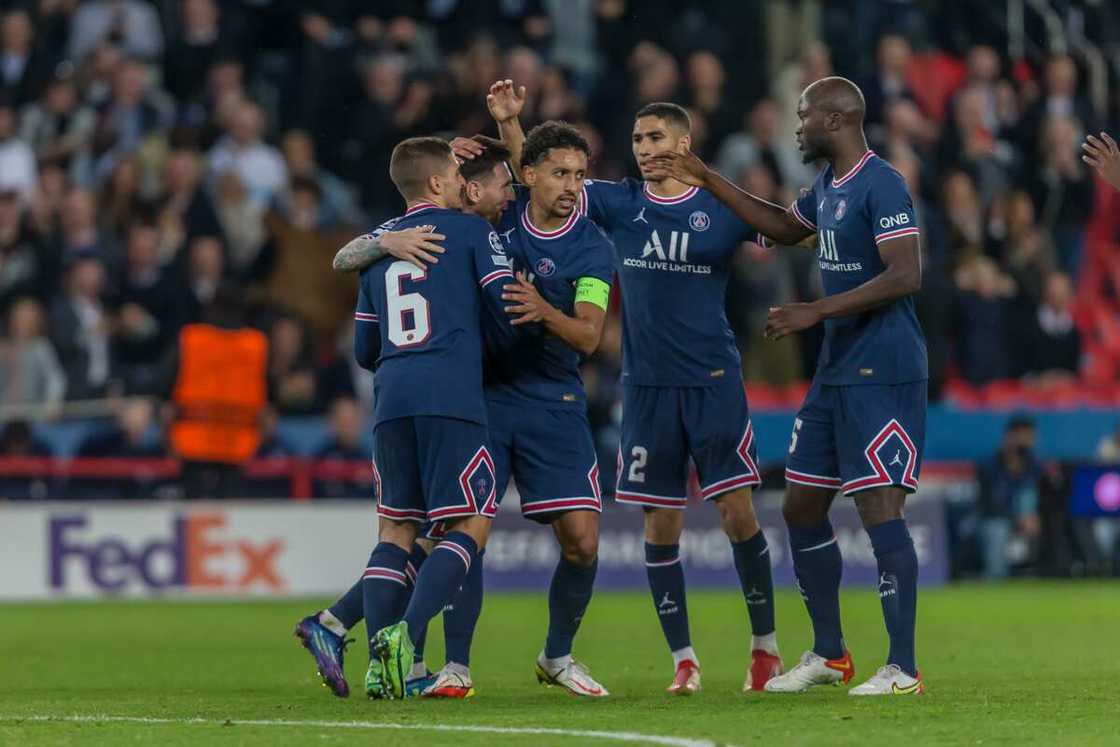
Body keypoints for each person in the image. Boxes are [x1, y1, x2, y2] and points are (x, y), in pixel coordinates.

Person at [489, 84, 783, 695]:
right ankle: (684, 659)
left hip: (713, 381)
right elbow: (536, 177)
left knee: (736, 514)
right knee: (661, 526)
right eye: (637, 140)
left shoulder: (720, 208)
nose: (645, 149)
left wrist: (716, 180)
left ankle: (765, 647)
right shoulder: (616, 202)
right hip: (646, 387)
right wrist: (512, 122)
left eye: (655, 138)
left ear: (683, 143)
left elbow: (787, 230)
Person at [650, 76, 927, 696]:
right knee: (802, 506)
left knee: (880, 507)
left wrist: (814, 312)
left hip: (884, 368)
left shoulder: (882, 184)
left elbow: (906, 274)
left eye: (802, 118)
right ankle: (830, 654)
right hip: (836, 371)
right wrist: (708, 178)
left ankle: (903, 668)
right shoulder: (828, 188)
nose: (794, 129)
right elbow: (779, 227)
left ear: (833, 119)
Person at [352, 118, 617, 698]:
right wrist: (484, 134)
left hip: (553, 400)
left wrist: (545, 314)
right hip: (480, 398)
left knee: (583, 542)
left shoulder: (593, 247)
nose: (571, 186)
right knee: (464, 528)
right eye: (558, 174)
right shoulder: (489, 221)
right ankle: (455, 666)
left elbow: (590, 337)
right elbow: (430, 181)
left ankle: (557, 654)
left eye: (579, 175)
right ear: (527, 179)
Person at [296, 136, 517, 700]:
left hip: (390, 398)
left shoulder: (379, 253)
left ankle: (380, 665)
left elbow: (365, 348)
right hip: (451, 395)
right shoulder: (474, 234)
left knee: (397, 531)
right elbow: (504, 314)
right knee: (468, 523)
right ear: (441, 183)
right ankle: (406, 638)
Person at [976, 416, 1040, 578]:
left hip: (1026, 520)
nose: (1030, 440)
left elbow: (1034, 493)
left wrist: (1031, 516)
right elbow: (993, 502)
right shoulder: (990, 464)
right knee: (998, 530)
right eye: (1026, 435)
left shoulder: (1032, 462)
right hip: (995, 519)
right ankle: (996, 577)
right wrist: (1017, 518)